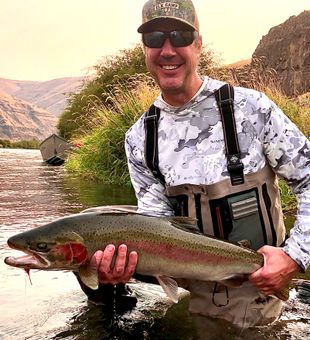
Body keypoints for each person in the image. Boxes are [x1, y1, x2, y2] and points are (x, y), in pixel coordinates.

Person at [79, 0, 310, 330]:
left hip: (261, 286)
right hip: (197, 292)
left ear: (199, 44)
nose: (167, 50)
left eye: (180, 36)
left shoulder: (251, 109)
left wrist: (295, 256)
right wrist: (115, 270)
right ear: (144, 48)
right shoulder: (140, 138)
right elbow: (155, 225)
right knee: (92, 225)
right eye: (156, 39)